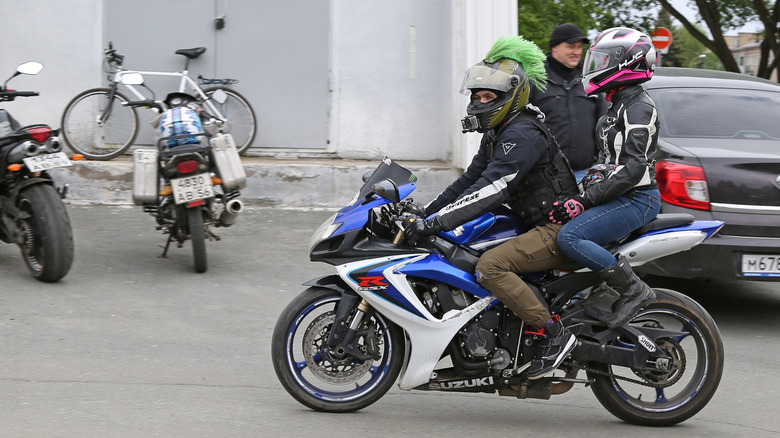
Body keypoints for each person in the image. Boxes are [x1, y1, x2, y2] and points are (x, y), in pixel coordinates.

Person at [402, 35, 580, 380]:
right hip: (533, 224)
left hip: (555, 228)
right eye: (478, 96)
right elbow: (469, 180)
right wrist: (426, 213)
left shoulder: (522, 134)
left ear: (512, 96)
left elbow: (492, 189)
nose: (481, 102)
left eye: (489, 97)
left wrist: (435, 223)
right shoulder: (499, 131)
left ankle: (553, 335)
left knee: (490, 267)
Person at [550, 27, 662, 328]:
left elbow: (633, 169)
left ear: (626, 63)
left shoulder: (639, 108)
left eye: (603, 60)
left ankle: (633, 289)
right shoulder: (618, 103)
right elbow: (604, 163)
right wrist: (574, 195)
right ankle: (592, 295)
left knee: (570, 237)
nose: (596, 67)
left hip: (637, 199)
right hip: (617, 194)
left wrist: (584, 200)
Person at [530, 23, 607, 182]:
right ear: (554, 47)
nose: (576, 52)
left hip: (584, 174)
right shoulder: (535, 79)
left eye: (579, 47)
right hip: (544, 177)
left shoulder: (590, 79)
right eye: (571, 47)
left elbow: (604, 124)